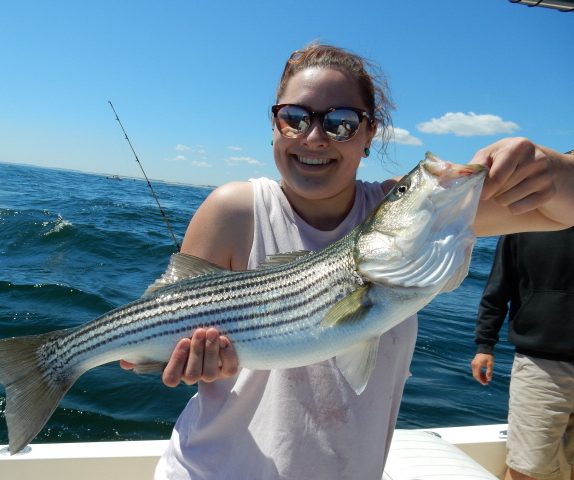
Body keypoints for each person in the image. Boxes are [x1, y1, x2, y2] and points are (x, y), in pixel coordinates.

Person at [121, 44, 574, 479]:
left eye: (341, 123)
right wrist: (179, 360)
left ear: (370, 133)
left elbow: (559, 211)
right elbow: (165, 319)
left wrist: (551, 168)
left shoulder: (415, 212)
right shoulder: (232, 208)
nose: (314, 137)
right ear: (274, 125)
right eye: (294, 118)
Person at [471, 228, 574, 480]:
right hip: (541, 365)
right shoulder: (527, 221)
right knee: (528, 468)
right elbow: (498, 287)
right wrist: (485, 343)